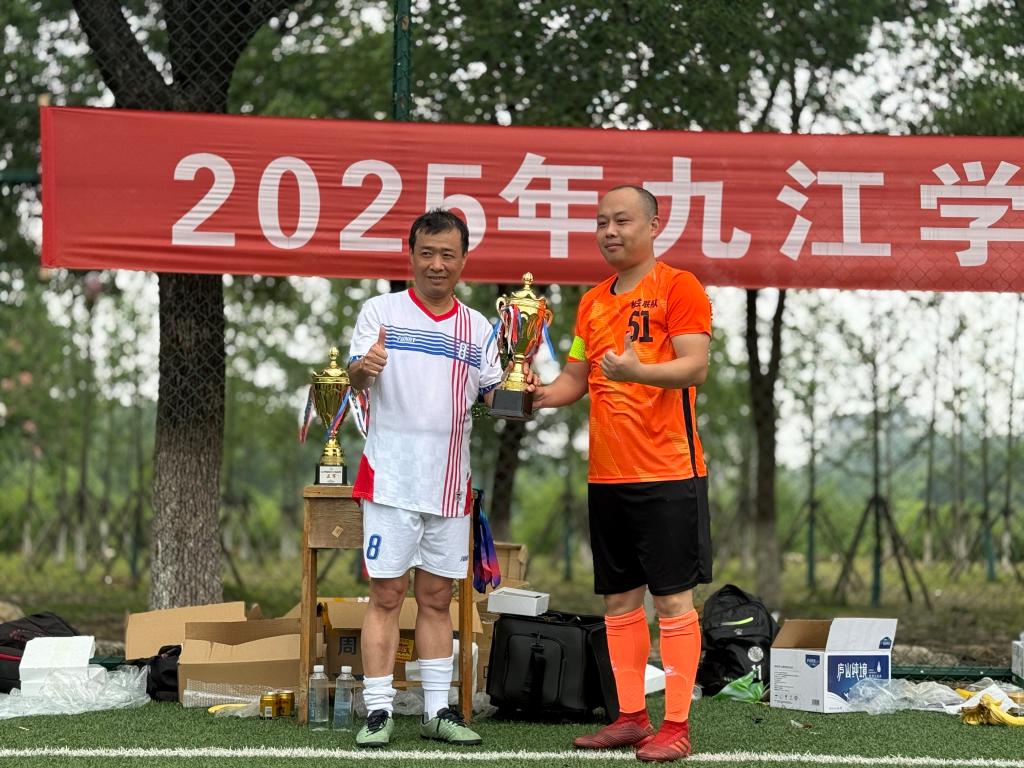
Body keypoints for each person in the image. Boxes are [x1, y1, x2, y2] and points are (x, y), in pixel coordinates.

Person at [527, 186, 712, 762]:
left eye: (622, 220)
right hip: (607, 477)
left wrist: (638, 371)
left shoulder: (679, 287)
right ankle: (631, 716)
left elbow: (695, 366)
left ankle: (676, 726)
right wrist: (533, 395)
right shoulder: (591, 302)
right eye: (601, 221)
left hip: (669, 473)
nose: (609, 231)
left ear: (654, 225)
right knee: (618, 604)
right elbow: (575, 378)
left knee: (673, 604)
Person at [346, 209, 502, 748]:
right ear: (410, 255)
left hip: (450, 484)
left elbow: (495, 397)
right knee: (386, 595)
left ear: (463, 260)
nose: (437, 264)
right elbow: (354, 376)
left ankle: (438, 712)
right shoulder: (380, 311)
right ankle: (378, 710)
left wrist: (524, 390)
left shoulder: (479, 327)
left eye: (447, 254)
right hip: (391, 479)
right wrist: (364, 368)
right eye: (427, 253)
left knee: (437, 598)